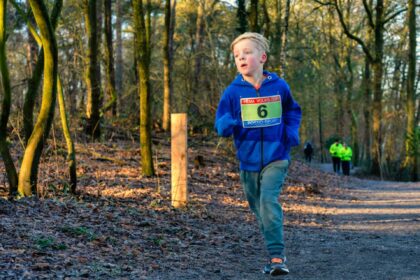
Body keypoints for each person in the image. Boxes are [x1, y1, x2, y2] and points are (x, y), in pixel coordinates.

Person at [215, 32, 302, 276]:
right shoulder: (232, 92)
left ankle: (277, 257)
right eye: (236, 56)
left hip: (277, 155)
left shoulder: (279, 86)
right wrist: (226, 124)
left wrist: (291, 133)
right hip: (248, 159)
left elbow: (293, 112)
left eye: (247, 53)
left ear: (262, 57)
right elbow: (221, 120)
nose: (241, 58)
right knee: (258, 207)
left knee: (268, 201)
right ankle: (274, 244)